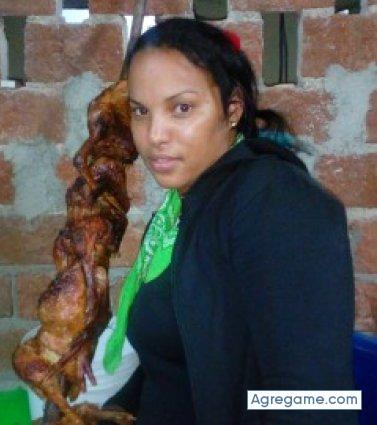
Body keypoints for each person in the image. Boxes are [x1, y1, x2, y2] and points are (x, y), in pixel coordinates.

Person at [100, 17, 357, 425]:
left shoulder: (274, 202)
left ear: (232, 107)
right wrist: (117, 408)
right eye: (140, 111)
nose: (154, 135)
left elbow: (316, 400)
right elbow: (174, 359)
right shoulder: (178, 210)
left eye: (182, 108)